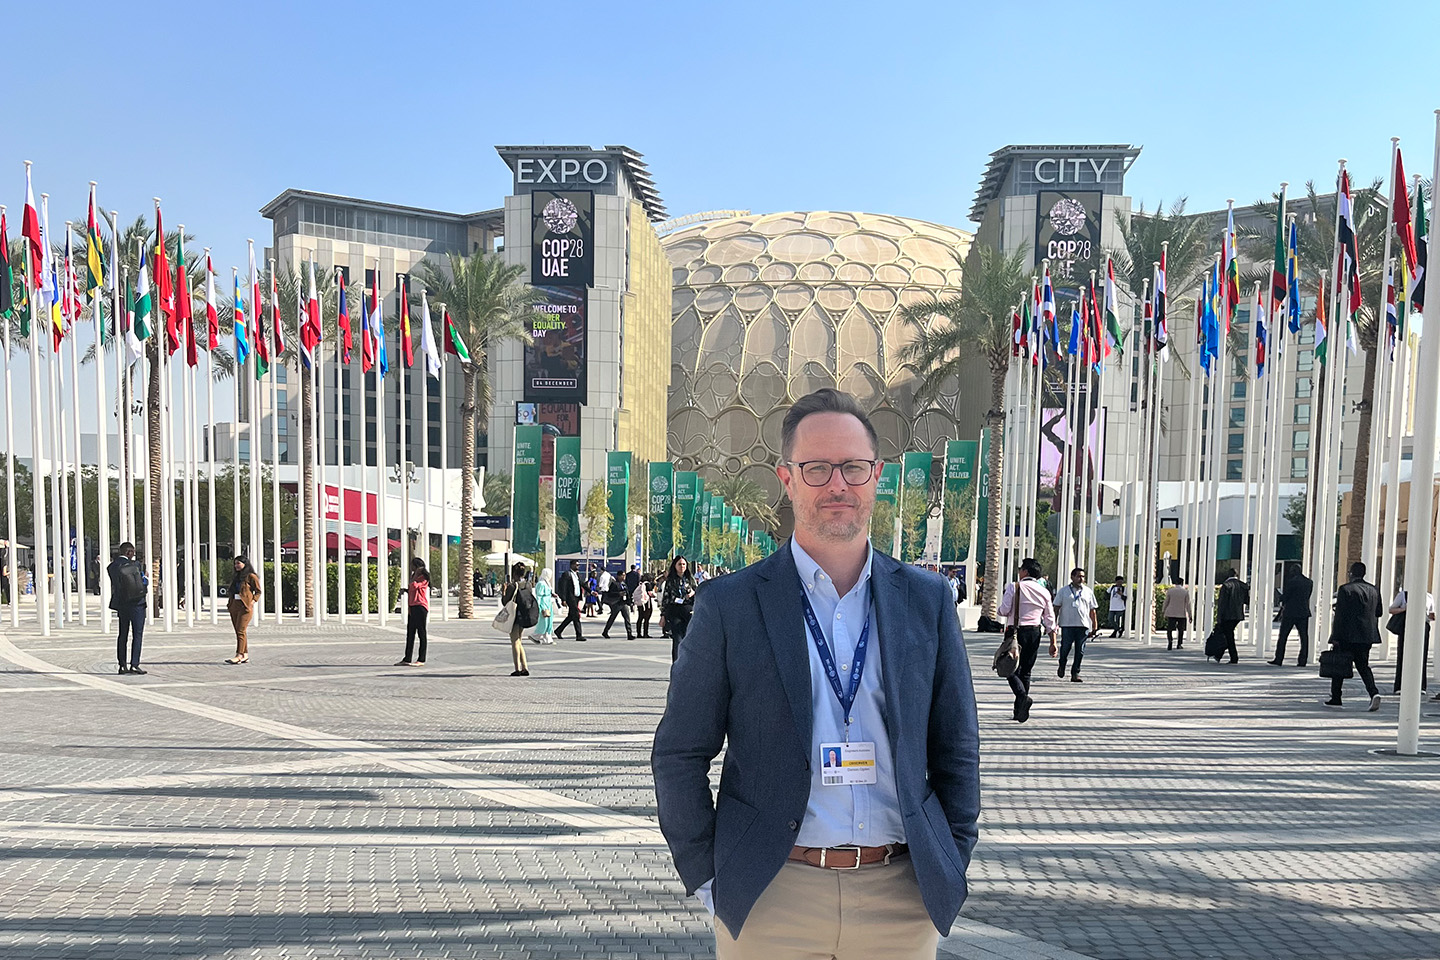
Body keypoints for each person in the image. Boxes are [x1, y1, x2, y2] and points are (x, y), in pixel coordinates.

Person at [652, 387, 979, 959]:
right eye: (817, 468)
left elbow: (957, 748)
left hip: (899, 899)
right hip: (770, 896)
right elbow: (679, 752)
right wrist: (708, 876)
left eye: (852, 468)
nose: (837, 485)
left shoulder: (927, 601)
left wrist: (950, 856)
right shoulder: (730, 606)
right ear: (786, 478)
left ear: (876, 475)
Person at [997, 557, 1058, 722]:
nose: (1019, 572)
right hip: (1035, 632)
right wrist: (1053, 642)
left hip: (1015, 632)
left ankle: (1022, 697)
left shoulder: (1014, 587)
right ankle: (1019, 711)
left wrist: (1000, 610)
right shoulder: (1044, 591)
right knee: (1026, 671)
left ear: (1025, 571)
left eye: (1020, 569)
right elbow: (1050, 618)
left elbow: (1004, 610)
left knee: (1007, 667)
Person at [1325, 561, 1383, 711]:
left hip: (1347, 635)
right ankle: (1373, 692)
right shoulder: (1374, 590)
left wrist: (1334, 637)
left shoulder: (1345, 590)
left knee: (1339, 665)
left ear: (1351, 573)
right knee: (1363, 666)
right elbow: (1379, 612)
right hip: (1367, 636)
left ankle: (1336, 697)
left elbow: (1340, 616)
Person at [107, 543, 149, 675]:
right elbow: (142, 583)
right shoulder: (135, 565)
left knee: (122, 634)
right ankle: (134, 664)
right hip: (137, 603)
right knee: (137, 634)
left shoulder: (112, 567)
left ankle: (122, 665)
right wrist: (146, 577)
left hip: (122, 604)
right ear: (129, 552)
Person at [1053, 567, 1098, 683]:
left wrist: (1094, 626)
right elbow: (1056, 608)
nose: (1081, 579)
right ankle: (1062, 664)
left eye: (1082, 576)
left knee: (1080, 650)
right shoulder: (1063, 591)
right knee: (1065, 648)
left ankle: (1075, 673)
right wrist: (1053, 624)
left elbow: (1092, 610)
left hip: (1083, 625)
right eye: (1078, 576)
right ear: (1072, 577)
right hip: (1067, 625)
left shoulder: (1088, 591)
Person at [1387, 586, 1433, 694]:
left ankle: (1421, 686)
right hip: (1406, 626)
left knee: (1422, 656)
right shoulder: (1403, 595)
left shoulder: (1429, 597)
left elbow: (1432, 614)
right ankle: (1399, 685)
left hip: (1423, 627)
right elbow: (1391, 609)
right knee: (1403, 655)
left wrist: (1428, 615)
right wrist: (1405, 608)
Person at [1271, 563, 1314, 667]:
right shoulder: (1309, 582)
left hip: (1290, 612)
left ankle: (1279, 658)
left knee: (1283, 636)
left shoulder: (1291, 582)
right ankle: (1302, 660)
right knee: (1304, 637)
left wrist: (1280, 598)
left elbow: (1286, 597)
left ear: (1294, 571)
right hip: (1303, 612)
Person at [657, 555, 697, 662]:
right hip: (674, 611)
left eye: (684, 564)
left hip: (688, 610)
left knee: (689, 638)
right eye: (679, 564)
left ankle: (689, 665)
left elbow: (697, 593)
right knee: (677, 639)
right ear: (675, 566)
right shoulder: (670, 580)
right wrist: (663, 615)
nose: (682, 566)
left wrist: (693, 593)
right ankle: (676, 665)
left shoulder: (690, 579)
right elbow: (666, 599)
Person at [225, 556, 262, 664]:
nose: (236, 566)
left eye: (238, 563)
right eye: (235, 563)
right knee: (239, 631)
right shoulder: (236, 576)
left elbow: (258, 591)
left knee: (241, 630)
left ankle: (239, 655)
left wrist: (253, 601)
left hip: (245, 606)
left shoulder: (251, 576)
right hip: (234, 605)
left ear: (245, 564)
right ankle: (245, 654)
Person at [396, 558, 430, 666]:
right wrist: (405, 590)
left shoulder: (423, 578)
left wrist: (416, 575)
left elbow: (416, 586)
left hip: (420, 607)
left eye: (412, 566)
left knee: (421, 633)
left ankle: (421, 659)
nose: (411, 568)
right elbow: (412, 588)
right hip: (412, 607)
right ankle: (407, 658)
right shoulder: (414, 577)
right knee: (410, 633)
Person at [1211, 568, 1249, 664]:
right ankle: (1221, 655)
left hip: (1227, 615)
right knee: (1228, 634)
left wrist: (1219, 617)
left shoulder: (1226, 585)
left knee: (1228, 635)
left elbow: (1222, 603)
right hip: (1238, 614)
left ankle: (1231, 656)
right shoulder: (1243, 585)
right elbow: (1247, 600)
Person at [501, 562, 531, 677]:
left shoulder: (513, 586)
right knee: (519, 640)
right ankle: (525, 667)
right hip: (524, 615)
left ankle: (517, 668)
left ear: (514, 573)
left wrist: (504, 591)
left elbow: (505, 602)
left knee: (514, 641)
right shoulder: (527, 584)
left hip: (514, 616)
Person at [555, 559, 586, 641]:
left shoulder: (577, 575)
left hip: (576, 598)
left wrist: (591, 591)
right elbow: (563, 587)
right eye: (576, 565)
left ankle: (558, 630)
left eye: (578, 565)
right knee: (576, 615)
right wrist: (563, 599)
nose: (578, 566)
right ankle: (579, 635)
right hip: (570, 598)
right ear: (572, 565)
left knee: (571, 616)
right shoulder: (567, 574)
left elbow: (582, 584)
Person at [601, 565, 634, 639]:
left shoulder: (624, 584)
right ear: (618, 576)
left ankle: (629, 634)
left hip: (623, 603)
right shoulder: (614, 583)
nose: (624, 577)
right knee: (612, 617)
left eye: (624, 575)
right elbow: (610, 593)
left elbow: (627, 593)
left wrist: (630, 602)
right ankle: (605, 631)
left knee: (627, 618)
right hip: (616, 603)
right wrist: (618, 594)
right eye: (622, 575)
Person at [1163, 578, 1192, 650]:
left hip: (1171, 612)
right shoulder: (1185, 592)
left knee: (1169, 628)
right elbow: (1188, 604)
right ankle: (1179, 644)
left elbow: (1166, 602)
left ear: (1175, 583)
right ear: (1182, 583)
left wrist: (1163, 610)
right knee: (1181, 629)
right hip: (1181, 613)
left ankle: (1170, 641)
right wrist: (1190, 615)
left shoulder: (1170, 591)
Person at [530, 567, 557, 644]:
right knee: (544, 621)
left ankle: (547, 637)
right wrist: (539, 607)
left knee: (549, 621)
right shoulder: (541, 584)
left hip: (548, 603)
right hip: (544, 604)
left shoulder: (547, 583)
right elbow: (539, 596)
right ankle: (536, 635)